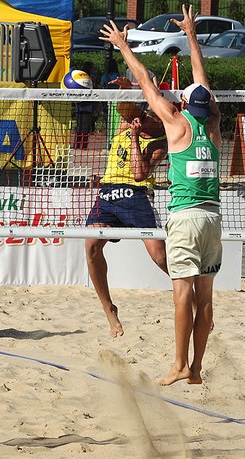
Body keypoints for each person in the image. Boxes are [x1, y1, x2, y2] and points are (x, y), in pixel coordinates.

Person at [100, 5, 222, 386]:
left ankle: (180, 363)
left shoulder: (175, 123)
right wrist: (191, 36)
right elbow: (203, 83)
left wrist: (123, 44)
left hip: (186, 217)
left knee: (181, 296)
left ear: (184, 105)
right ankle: (197, 367)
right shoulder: (215, 125)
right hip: (214, 218)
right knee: (205, 299)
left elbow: (144, 83)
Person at [85, 76, 168, 338]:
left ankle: (191, 293)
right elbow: (124, 106)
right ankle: (109, 309)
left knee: (160, 257)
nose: (144, 116)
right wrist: (127, 87)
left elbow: (139, 174)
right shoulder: (129, 121)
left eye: (151, 114)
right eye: (146, 111)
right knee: (91, 246)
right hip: (108, 192)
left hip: (137, 195)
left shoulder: (159, 141)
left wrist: (133, 137)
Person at [74, 61, 99, 149]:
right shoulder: (86, 79)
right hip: (84, 106)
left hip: (85, 106)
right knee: (82, 127)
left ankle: (80, 145)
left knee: (82, 127)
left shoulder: (89, 78)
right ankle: (80, 145)